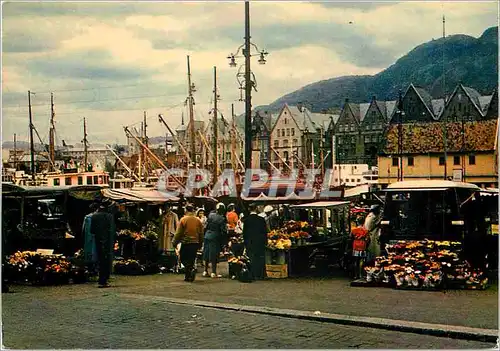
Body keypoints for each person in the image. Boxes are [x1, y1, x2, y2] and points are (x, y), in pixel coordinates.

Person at [172, 204, 204, 282]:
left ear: (186, 210)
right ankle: (189, 274)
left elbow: (178, 233)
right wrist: (200, 243)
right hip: (195, 243)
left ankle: (189, 272)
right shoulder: (198, 220)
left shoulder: (183, 220)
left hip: (186, 242)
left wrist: (174, 242)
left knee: (183, 258)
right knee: (191, 259)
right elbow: (201, 233)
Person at [90, 198, 116, 288]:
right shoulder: (109, 216)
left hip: (98, 241)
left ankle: (101, 279)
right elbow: (112, 230)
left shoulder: (94, 216)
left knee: (100, 260)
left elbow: (92, 230)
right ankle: (104, 280)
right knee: (106, 261)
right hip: (107, 241)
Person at [243, 203, 268, 280]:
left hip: (250, 242)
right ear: (256, 209)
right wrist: (265, 241)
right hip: (260, 242)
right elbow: (265, 232)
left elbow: (245, 233)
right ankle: (261, 274)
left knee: (251, 258)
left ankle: (253, 274)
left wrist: (245, 243)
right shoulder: (261, 219)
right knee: (260, 258)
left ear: (249, 209)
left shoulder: (246, 220)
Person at [203, 203, 227, 278]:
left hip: (207, 235)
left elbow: (206, 226)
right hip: (215, 237)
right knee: (214, 254)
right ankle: (213, 272)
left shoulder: (210, 215)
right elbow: (223, 231)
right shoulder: (222, 219)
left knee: (206, 253)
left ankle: (205, 271)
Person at [82, 202, 99, 274]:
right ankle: (95, 268)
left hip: (88, 237)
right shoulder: (99, 217)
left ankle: (90, 268)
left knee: (89, 251)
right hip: (96, 236)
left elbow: (83, 229)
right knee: (96, 251)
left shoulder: (87, 217)